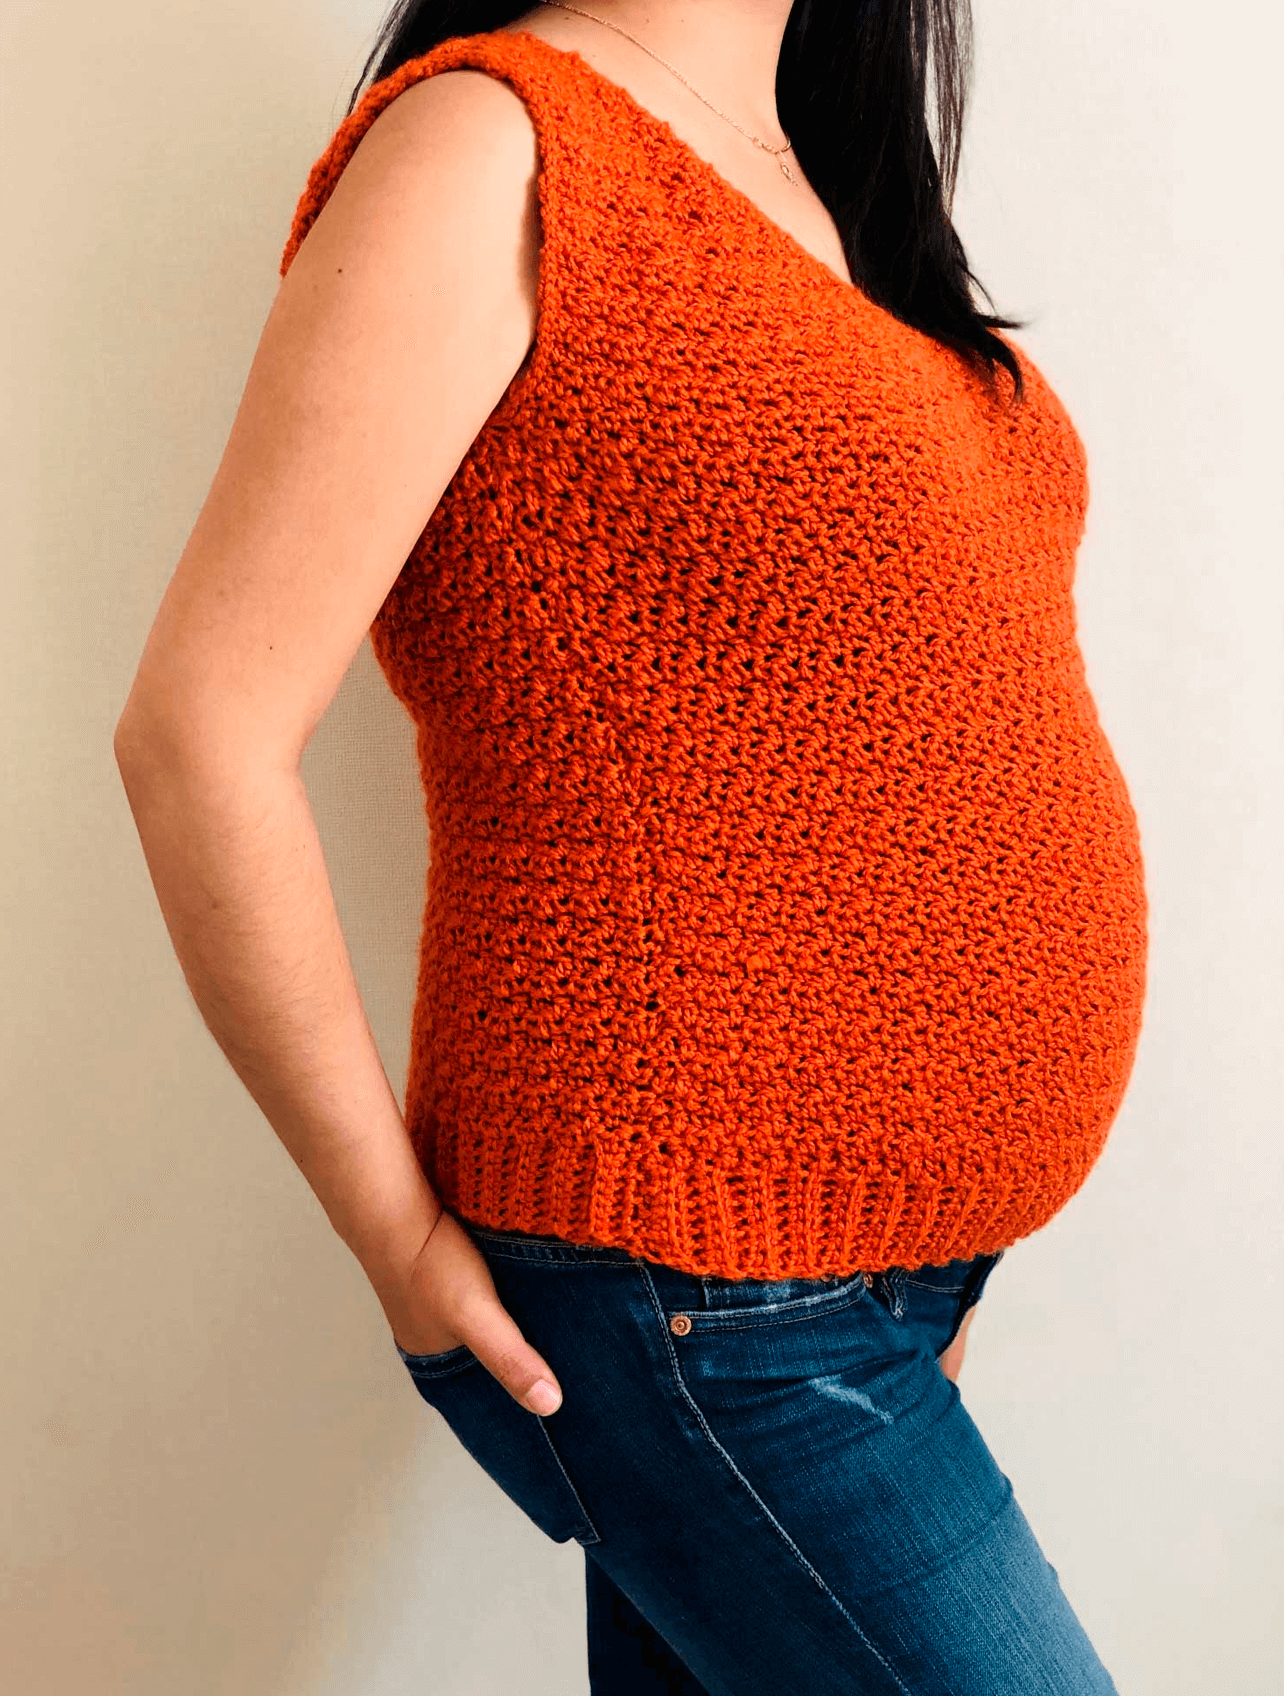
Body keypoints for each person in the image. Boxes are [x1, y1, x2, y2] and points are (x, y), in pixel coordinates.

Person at [114, 2, 1148, 1690]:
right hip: (702, 1293)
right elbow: (200, 735)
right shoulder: (492, 148)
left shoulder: (824, 179)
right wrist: (392, 1239)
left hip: (879, 1275)